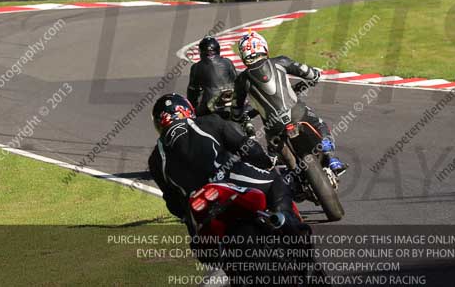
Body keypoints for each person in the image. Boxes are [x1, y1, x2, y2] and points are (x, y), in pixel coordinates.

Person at [147, 93, 303, 228]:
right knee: (276, 181)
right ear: (186, 110)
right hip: (226, 179)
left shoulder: (155, 159)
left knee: (198, 237)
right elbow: (246, 147)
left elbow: (172, 202)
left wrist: (186, 215)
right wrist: (266, 163)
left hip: (198, 205)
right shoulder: (208, 122)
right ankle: (288, 223)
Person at [233, 31, 347, 174]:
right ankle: (331, 159)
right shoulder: (280, 61)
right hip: (296, 113)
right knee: (320, 124)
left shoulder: (241, 80)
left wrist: (240, 117)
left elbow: (236, 110)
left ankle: (289, 174)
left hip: (273, 127)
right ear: (264, 47)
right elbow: (307, 72)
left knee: (274, 156)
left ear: (243, 55)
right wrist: (315, 75)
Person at [187, 36, 239, 116]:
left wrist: (193, 108)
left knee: (196, 118)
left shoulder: (196, 67)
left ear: (201, 51)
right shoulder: (227, 62)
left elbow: (192, 92)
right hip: (229, 102)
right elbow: (237, 82)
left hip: (209, 105)